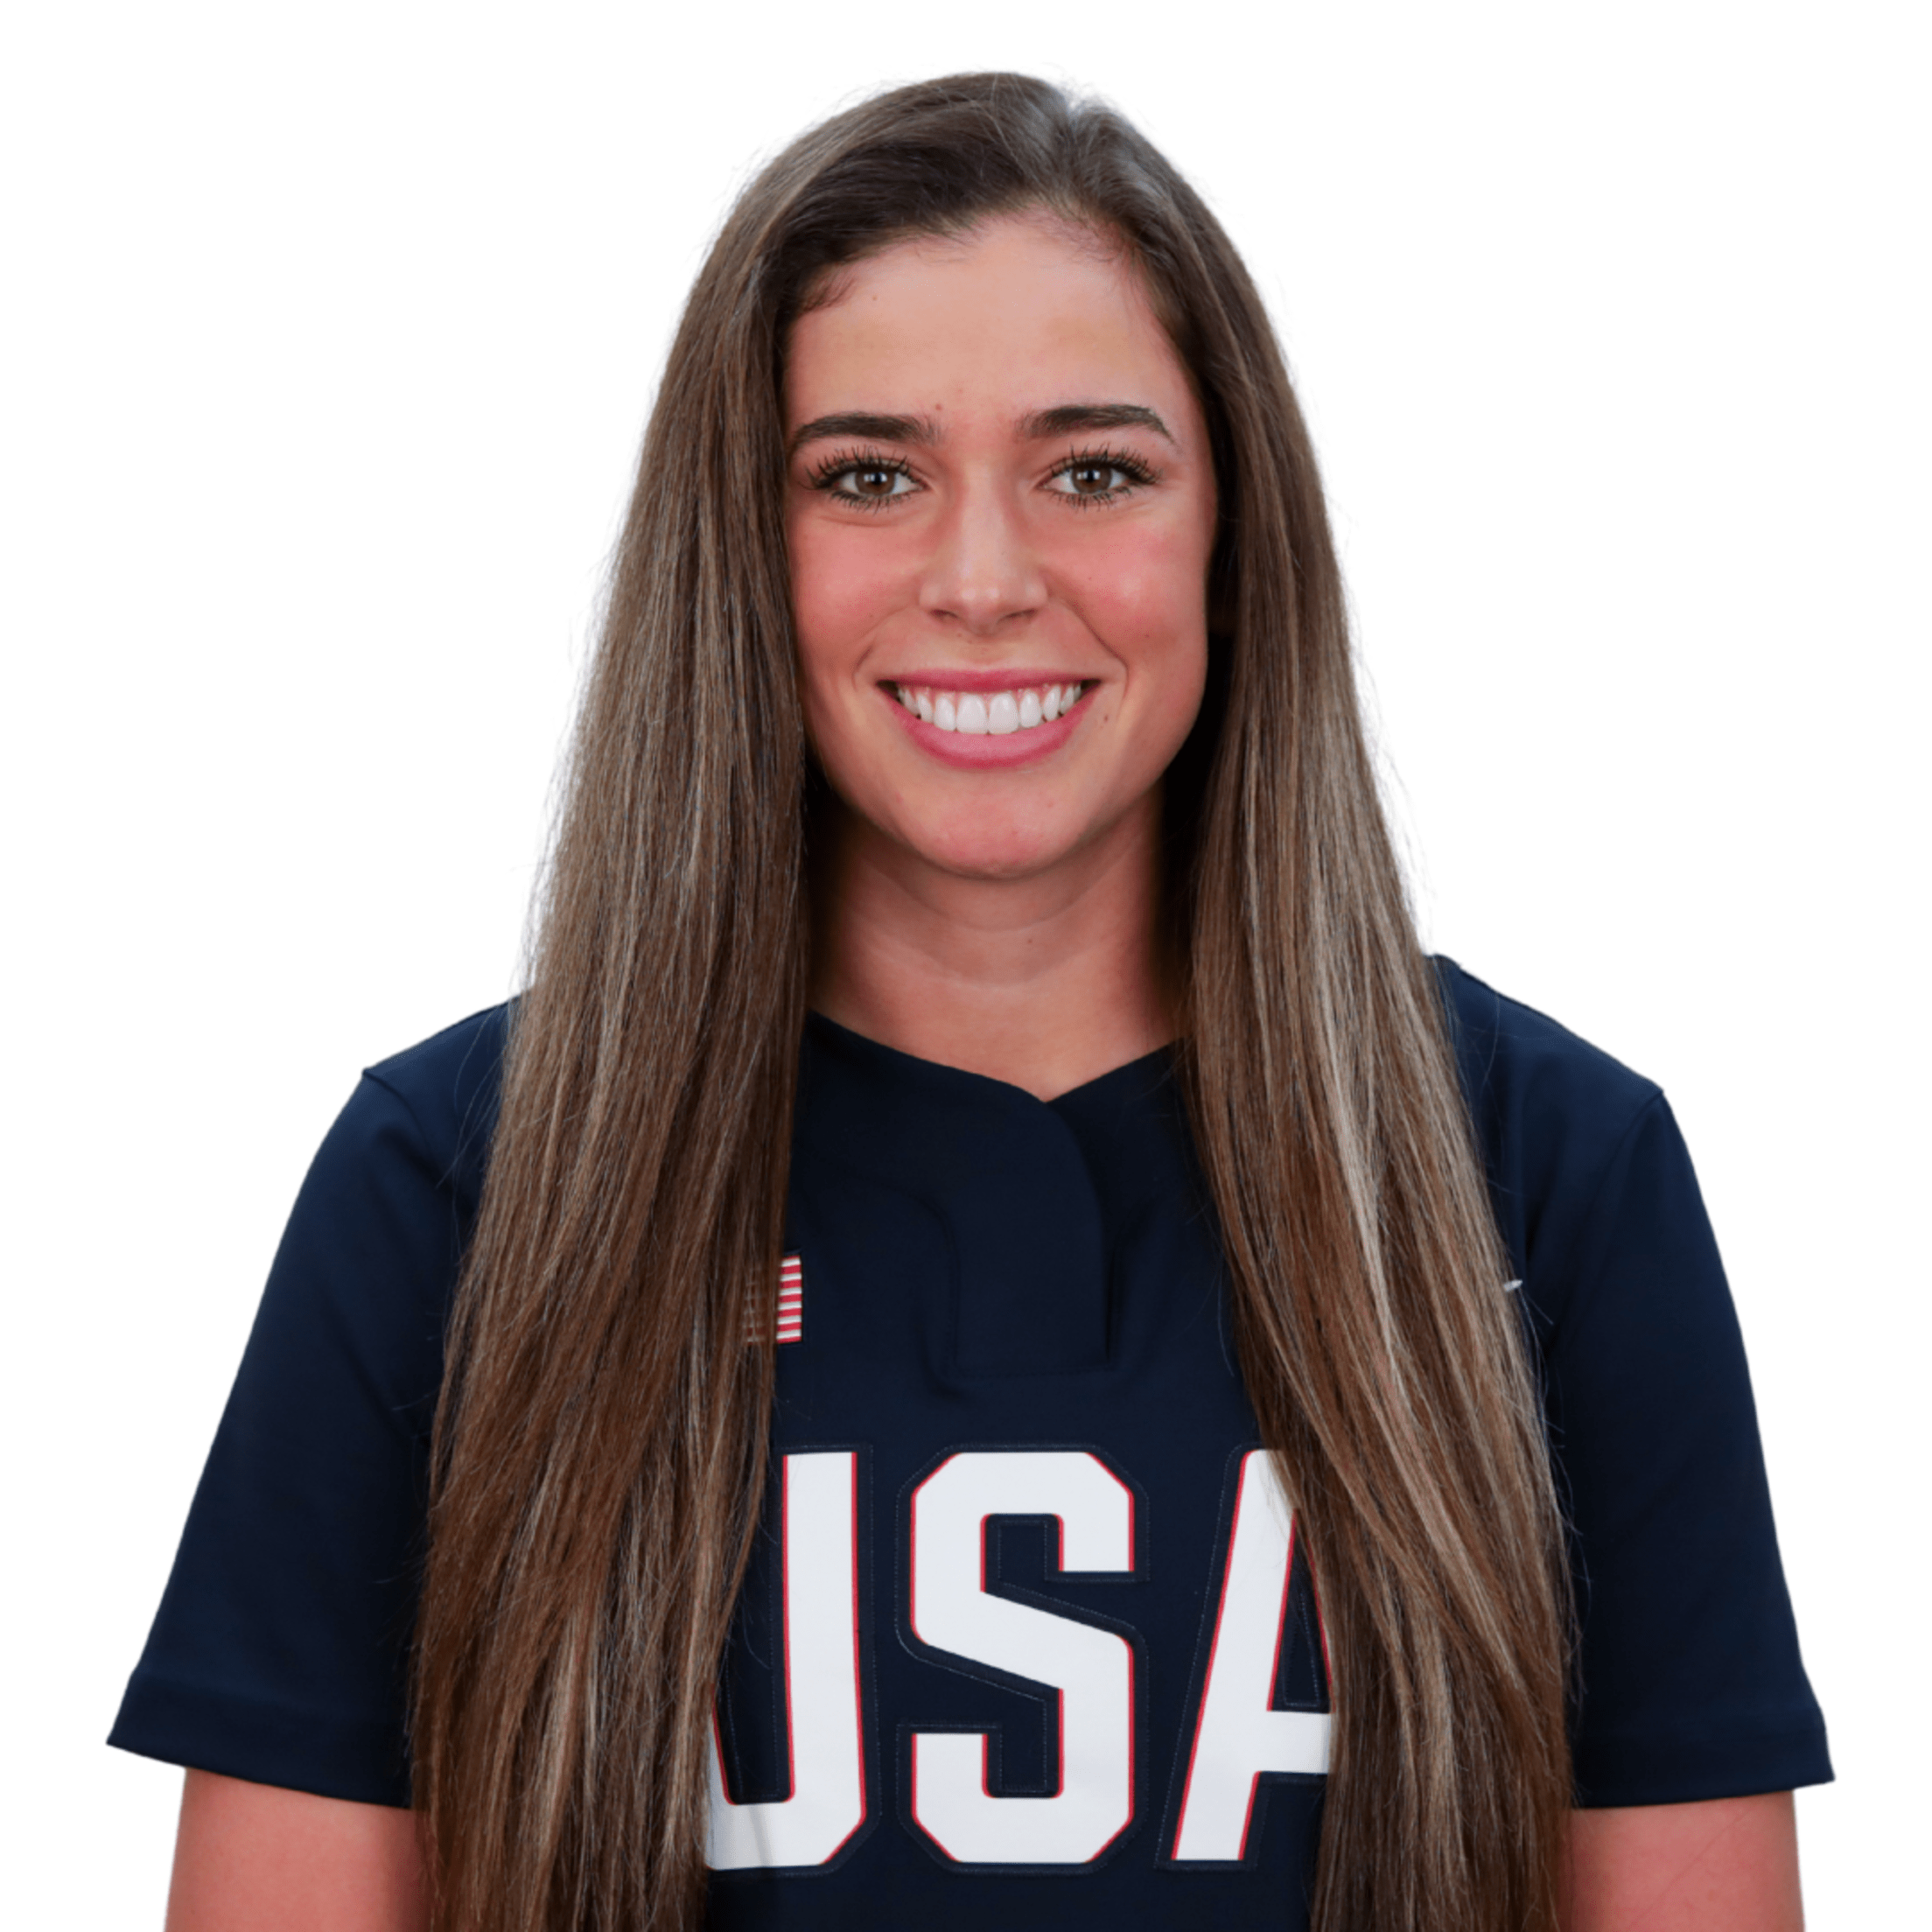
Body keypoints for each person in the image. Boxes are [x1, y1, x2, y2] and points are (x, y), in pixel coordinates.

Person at [110, 73, 1830, 1932]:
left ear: (1234, 539)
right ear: (738, 550)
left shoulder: (1548, 1176)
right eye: (869, 476)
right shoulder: (457, 1185)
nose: (986, 581)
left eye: (1094, 473)